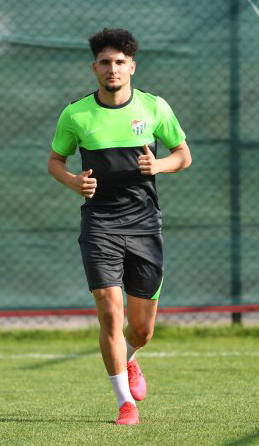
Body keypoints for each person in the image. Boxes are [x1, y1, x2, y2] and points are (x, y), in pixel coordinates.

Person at [47, 28, 191, 425]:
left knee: (141, 329)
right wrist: (73, 181)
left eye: (120, 62)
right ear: (94, 68)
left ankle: (131, 357)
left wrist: (158, 165)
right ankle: (125, 403)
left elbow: (183, 155)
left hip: (144, 224)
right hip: (99, 225)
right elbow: (55, 161)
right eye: (105, 62)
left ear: (132, 67)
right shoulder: (76, 114)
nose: (113, 68)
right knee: (110, 313)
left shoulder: (154, 108)